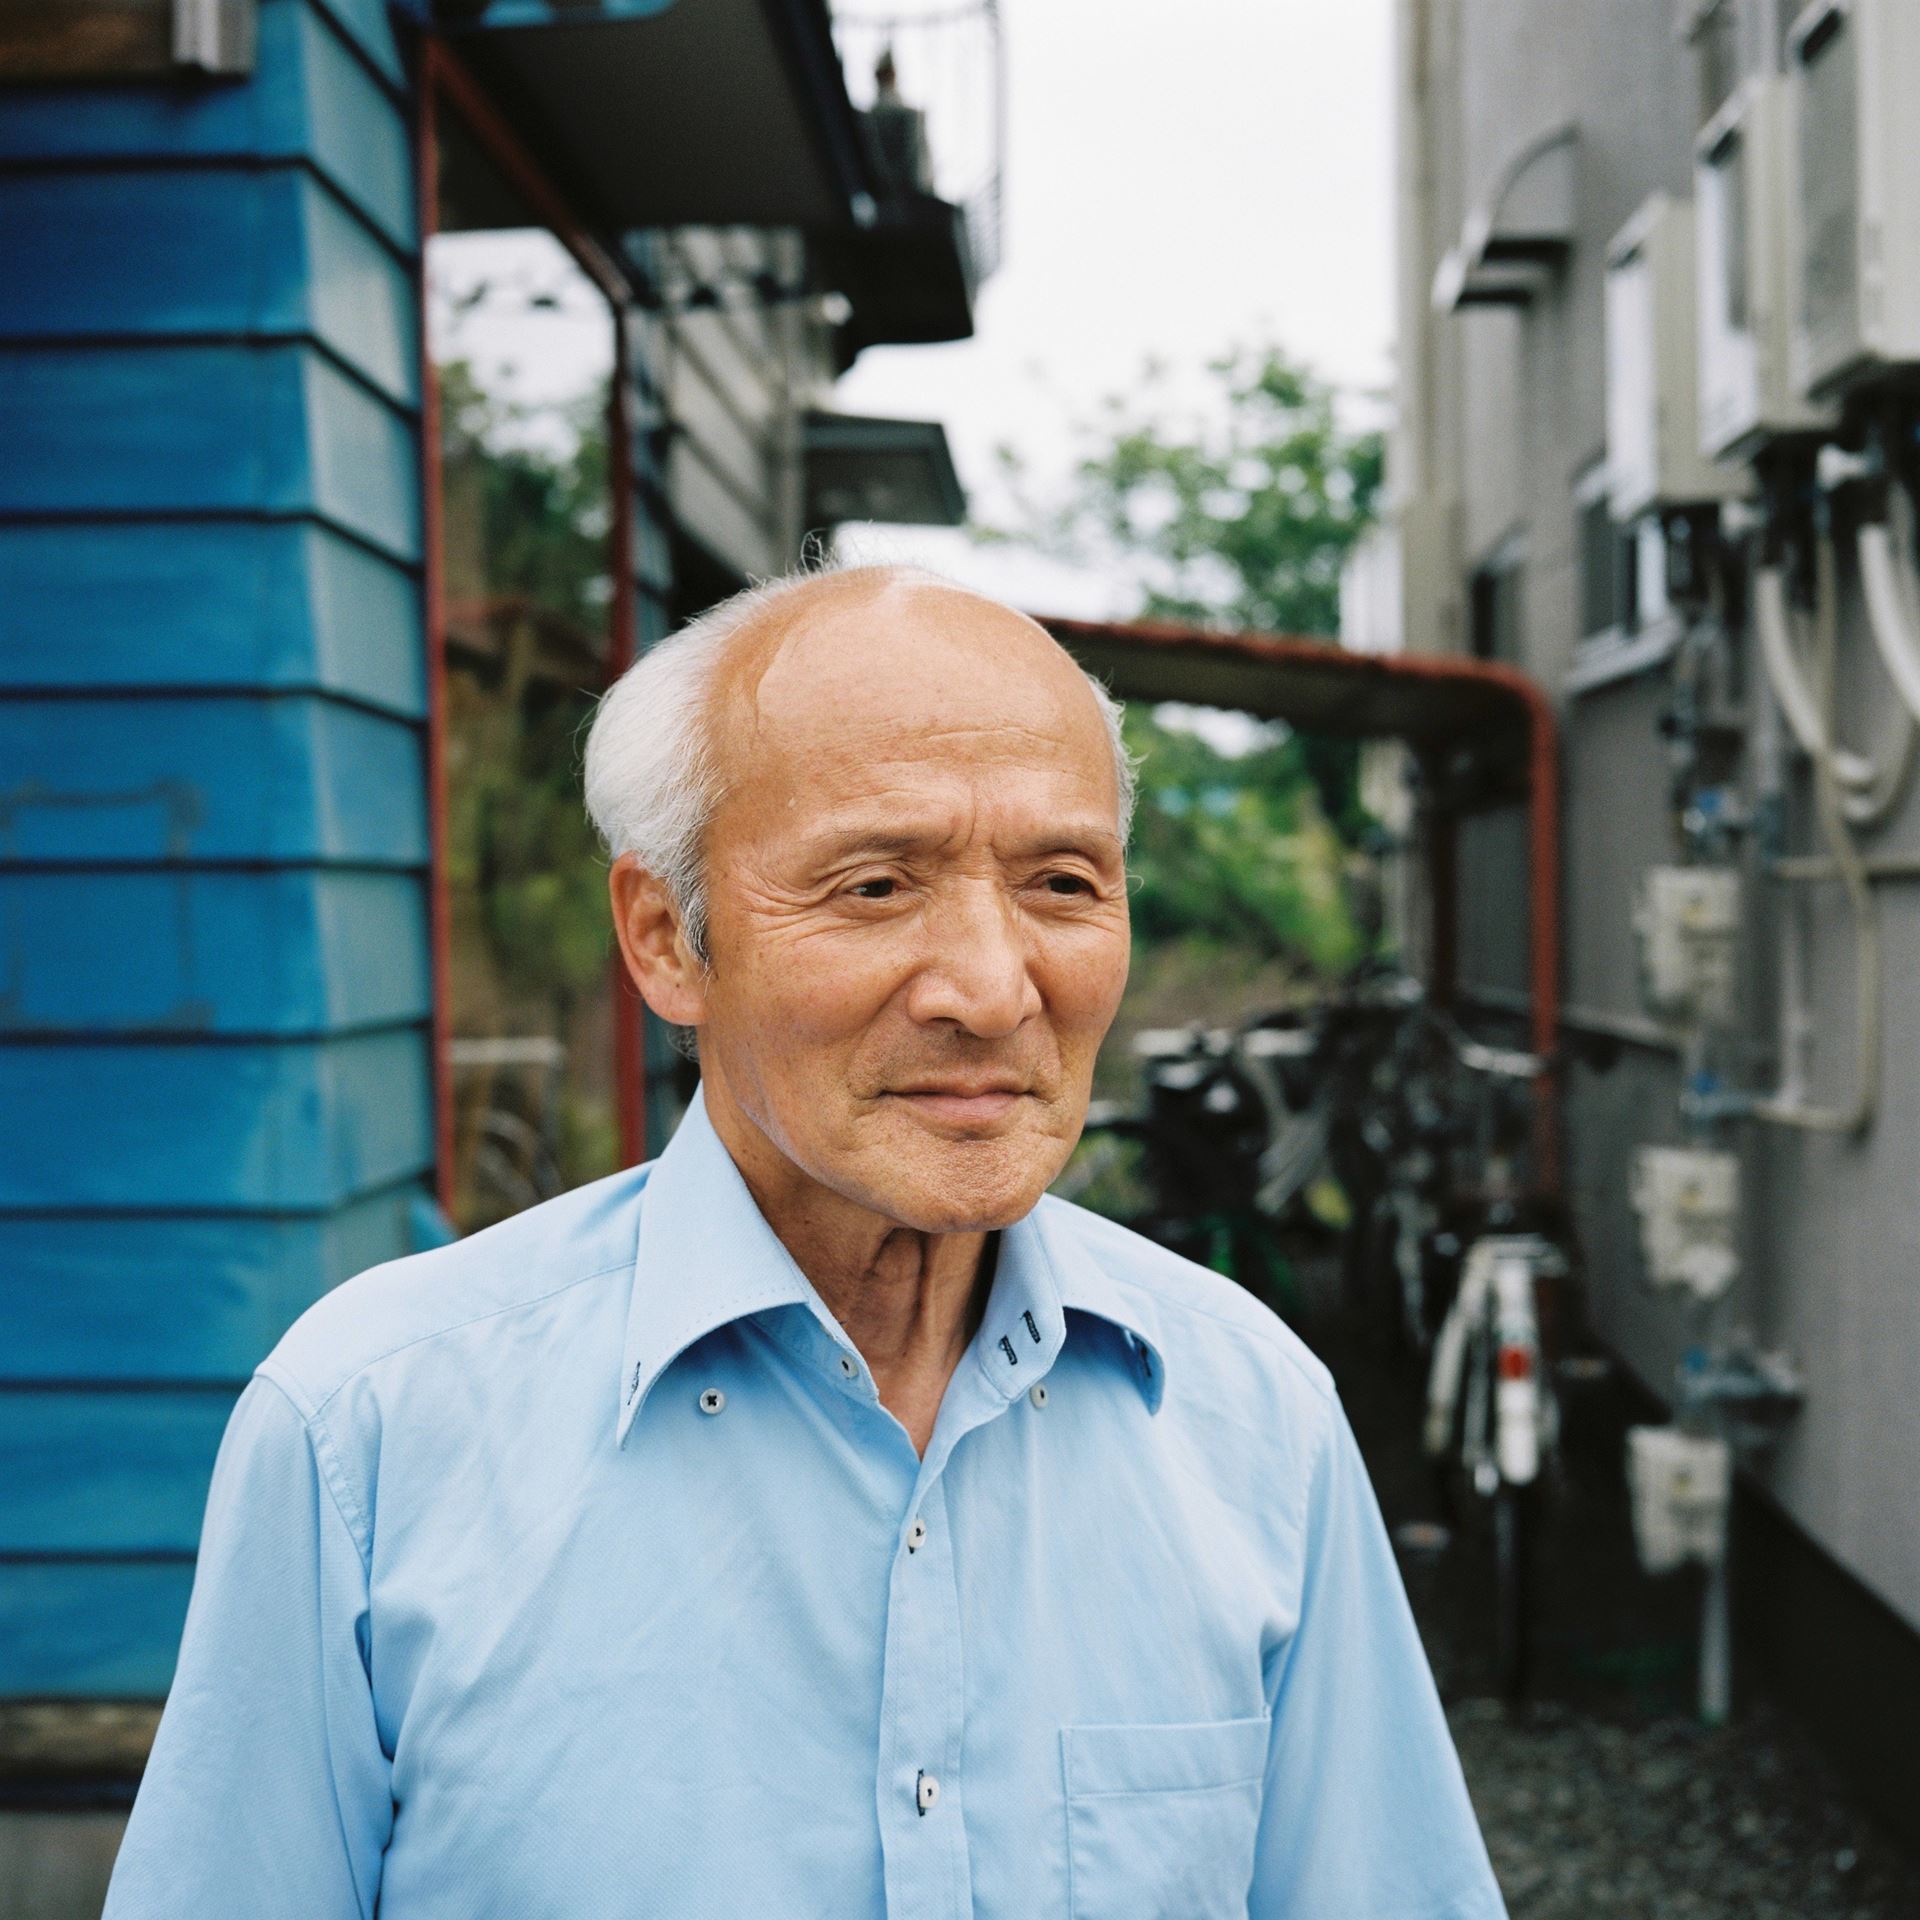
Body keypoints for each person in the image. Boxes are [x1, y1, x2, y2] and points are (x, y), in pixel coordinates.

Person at [104, 564, 1507, 1918]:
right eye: (875, 886)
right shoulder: (372, 1430)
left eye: (1063, 883)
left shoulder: (1250, 1409)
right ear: (666, 941)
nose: (989, 988)